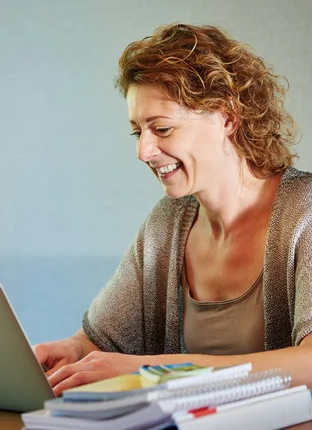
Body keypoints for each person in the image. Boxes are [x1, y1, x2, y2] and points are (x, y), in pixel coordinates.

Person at [34, 22, 312, 396]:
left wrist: (152, 369)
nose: (143, 151)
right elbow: (101, 341)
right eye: (138, 131)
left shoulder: (304, 214)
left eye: (162, 129)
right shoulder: (169, 222)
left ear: (227, 117)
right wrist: (73, 350)